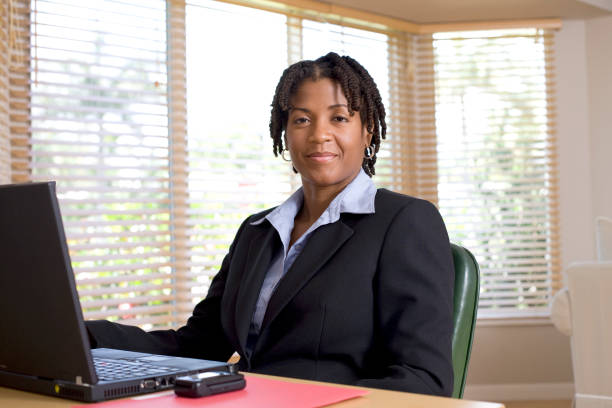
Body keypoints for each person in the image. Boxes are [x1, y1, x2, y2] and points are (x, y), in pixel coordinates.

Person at [86, 52, 455, 396]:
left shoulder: (404, 222)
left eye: (339, 118)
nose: (318, 134)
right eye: (301, 119)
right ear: (285, 133)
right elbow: (198, 345)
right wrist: (84, 334)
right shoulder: (257, 231)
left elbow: (423, 377)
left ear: (368, 131)